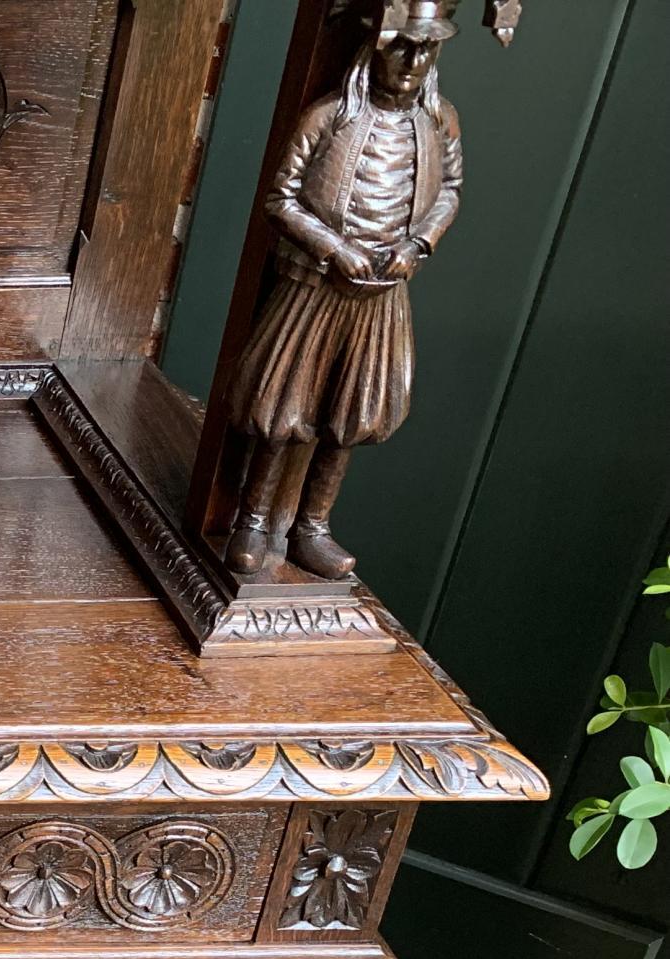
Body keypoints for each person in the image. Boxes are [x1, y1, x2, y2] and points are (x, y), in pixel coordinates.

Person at [224, 0, 463, 581]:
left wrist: (417, 246)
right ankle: (253, 521)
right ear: (373, 47)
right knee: (284, 404)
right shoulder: (330, 116)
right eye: (400, 46)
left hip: (381, 295)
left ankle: (312, 526)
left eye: (425, 49)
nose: (411, 61)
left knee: (354, 409)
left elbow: (450, 188)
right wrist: (334, 248)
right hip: (315, 288)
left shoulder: (439, 122)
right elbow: (281, 197)